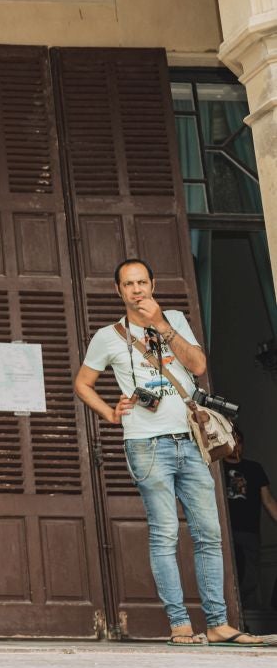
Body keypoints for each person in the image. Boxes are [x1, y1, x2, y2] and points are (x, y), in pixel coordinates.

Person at [74, 258, 264, 647]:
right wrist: (111, 412)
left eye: (142, 282)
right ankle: (179, 625)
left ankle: (217, 623)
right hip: (146, 444)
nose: (137, 289)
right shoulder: (108, 336)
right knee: (164, 534)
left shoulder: (174, 318)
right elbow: (82, 383)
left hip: (190, 441)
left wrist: (161, 324)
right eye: (129, 284)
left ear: (153, 284)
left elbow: (197, 365)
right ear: (119, 291)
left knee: (208, 533)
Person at [223, 429, 277, 609]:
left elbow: (268, 500)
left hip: (249, 531)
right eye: (231, 441)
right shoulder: (216, 468)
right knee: (225, 574)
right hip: (223, 531)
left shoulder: (254, 468)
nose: (235, 446)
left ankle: (244, 614)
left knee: (250, 577)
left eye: (238, 442)